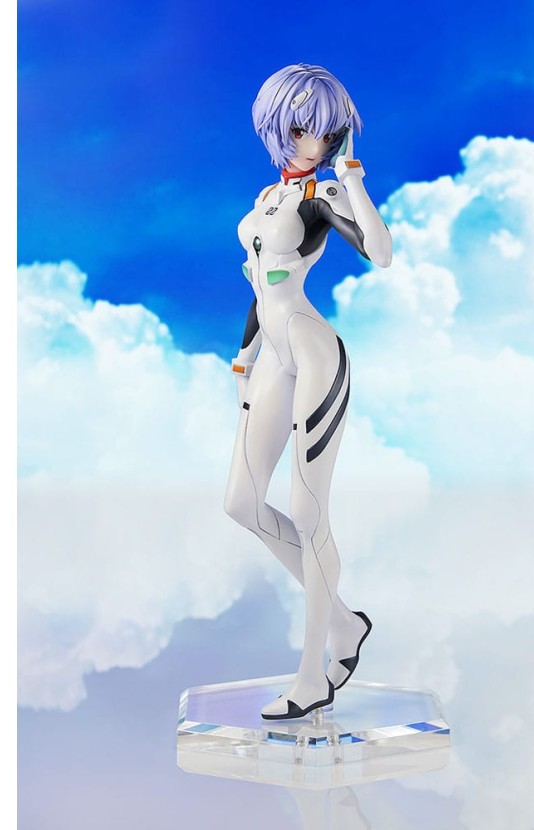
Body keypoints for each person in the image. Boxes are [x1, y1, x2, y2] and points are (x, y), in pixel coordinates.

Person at [224, 64, 392, 720]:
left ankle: (313, 675)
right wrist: (243, 355)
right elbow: (259, 284)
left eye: (321, 131)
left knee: (307, 512)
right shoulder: (268, 196)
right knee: (241, 502)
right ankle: (346, 623)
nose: (308, 142)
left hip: (313, 350)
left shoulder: (323, 194)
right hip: (270, 353)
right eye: (297, 129)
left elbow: (379, 253)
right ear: (276, 128)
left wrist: (352, 180)